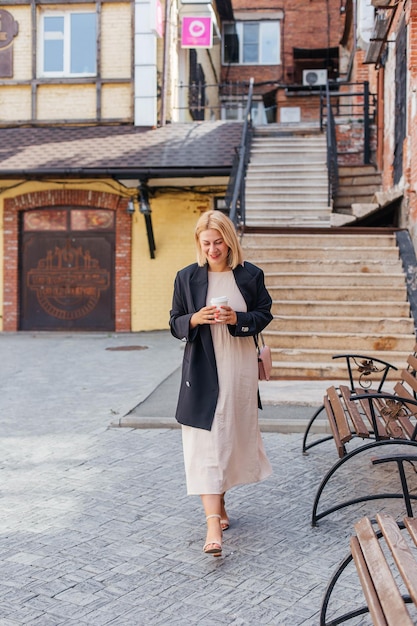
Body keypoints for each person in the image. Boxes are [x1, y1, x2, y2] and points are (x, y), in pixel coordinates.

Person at [169, 210, 273, 557]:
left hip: (239, 369)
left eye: (219, 242)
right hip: (202, 370)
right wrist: (195, 319)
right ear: (199, 244)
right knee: (205, 441)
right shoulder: (186, 277)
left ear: (230, 241)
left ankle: (220, 504)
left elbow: (263, 314)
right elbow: (174, 322)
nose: (213, 249)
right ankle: (212, 523)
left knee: (227, 439)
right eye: (207, 243)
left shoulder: (250, 275)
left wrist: (238, 319)